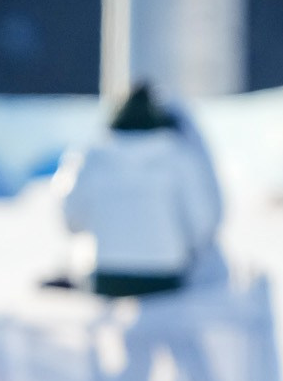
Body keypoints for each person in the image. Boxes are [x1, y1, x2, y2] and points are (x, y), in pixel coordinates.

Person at [54, 84, 221, 299]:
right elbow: (203, 223)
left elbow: (71, 219)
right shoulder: (178, 156)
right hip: (166, 276)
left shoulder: (92, 157)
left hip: (106, 275)